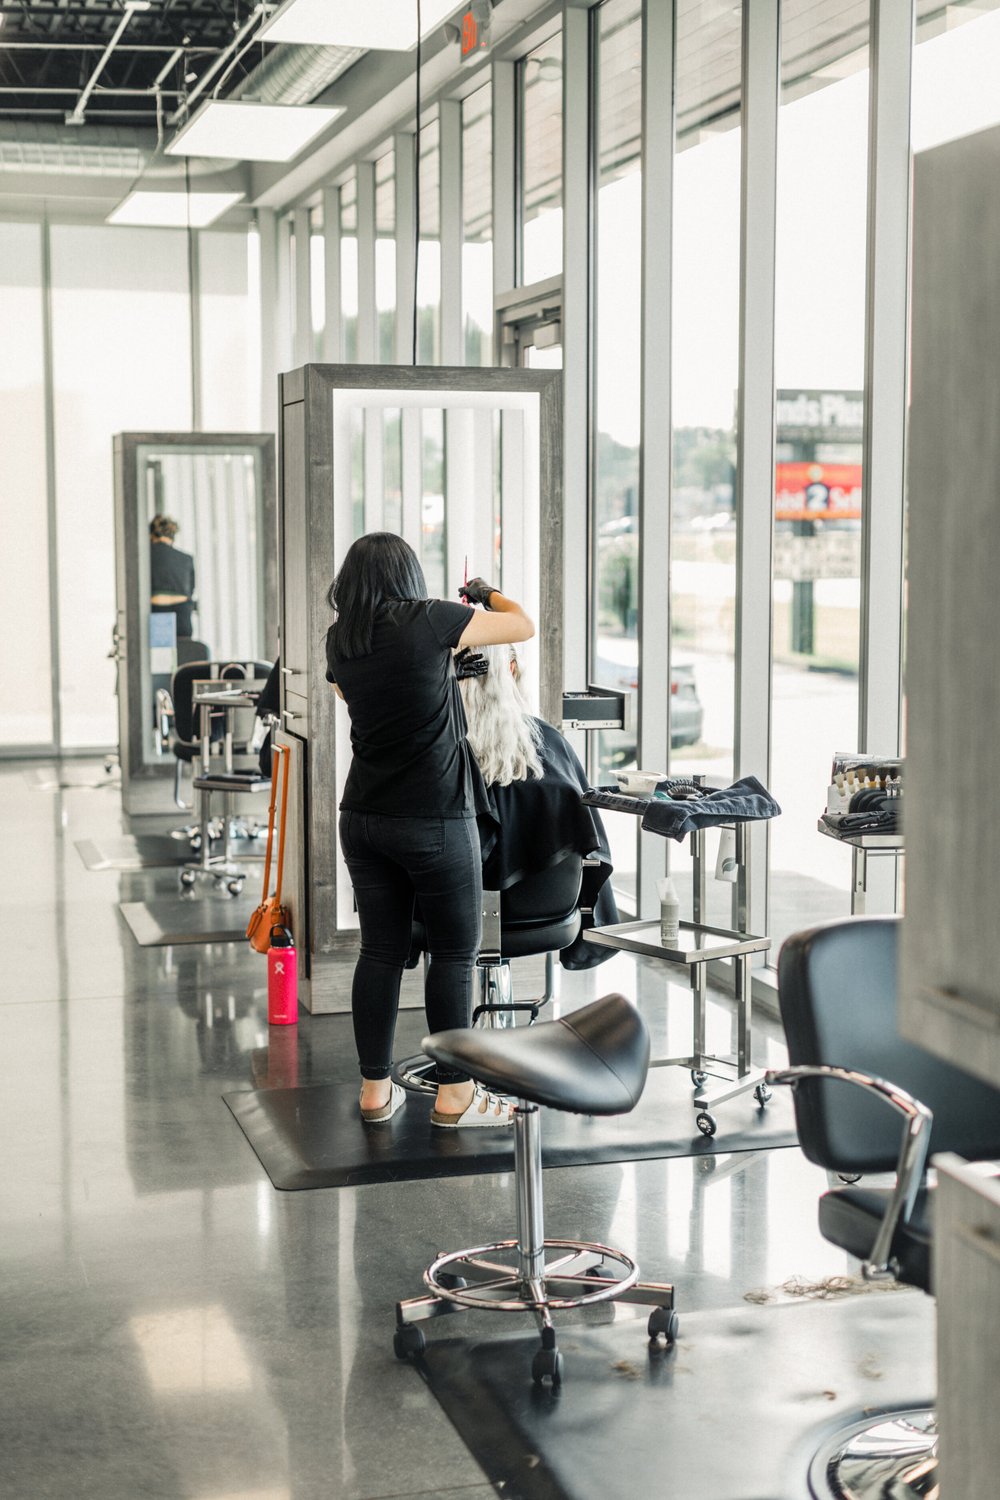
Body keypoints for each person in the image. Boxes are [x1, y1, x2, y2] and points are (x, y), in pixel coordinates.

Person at [325, 533, 534, 1128]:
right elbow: (521, 626)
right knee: (453, 955)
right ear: (408, 576)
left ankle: (374, 1092)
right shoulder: (430, 618)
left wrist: (442, 671)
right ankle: (454, 1095)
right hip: (434, 817)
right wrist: (485, 593)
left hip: (363, 818)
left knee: (380, 952)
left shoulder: (342, 637)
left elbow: (360, 694)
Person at [458, 644, 619, 962]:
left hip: (451, 911)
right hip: (548, 910)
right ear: (512, 670)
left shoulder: (439, 749)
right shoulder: (551, 742)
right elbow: (590, 841)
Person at [149, 514, 197, 639]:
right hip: (182, 615)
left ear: (151, 535)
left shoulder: (146, 556)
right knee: (184, 649)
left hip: (156, 612)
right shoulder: (186, 559)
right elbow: (190, 590)